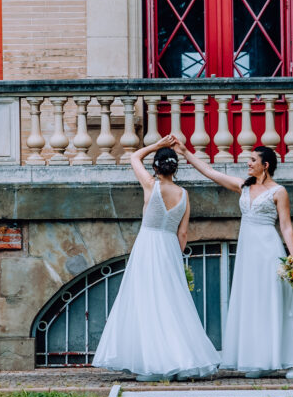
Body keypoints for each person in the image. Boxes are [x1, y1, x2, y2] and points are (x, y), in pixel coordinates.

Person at [175, 141, 293, 380]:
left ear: (265, 165)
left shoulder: (279, 192)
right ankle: (261, 361)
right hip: (248, 253)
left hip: (269, 251)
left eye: (253, 160)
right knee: (253, 304)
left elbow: (286, 226)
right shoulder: (243, 187)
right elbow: (210, 172)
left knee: (276, 303)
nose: (248, 163)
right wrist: (186, 153)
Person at [92, 134, 220, 382]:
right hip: (170, 248)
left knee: (147, 301)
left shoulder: (151, 185)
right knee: (172, 303)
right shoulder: (184, 194)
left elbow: (134, 157)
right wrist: (176, 258)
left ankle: (154, 365)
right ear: (175, 168)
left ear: (156, 167)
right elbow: (183, 233)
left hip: (148, 245)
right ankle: (179, 361)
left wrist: (157, 145)